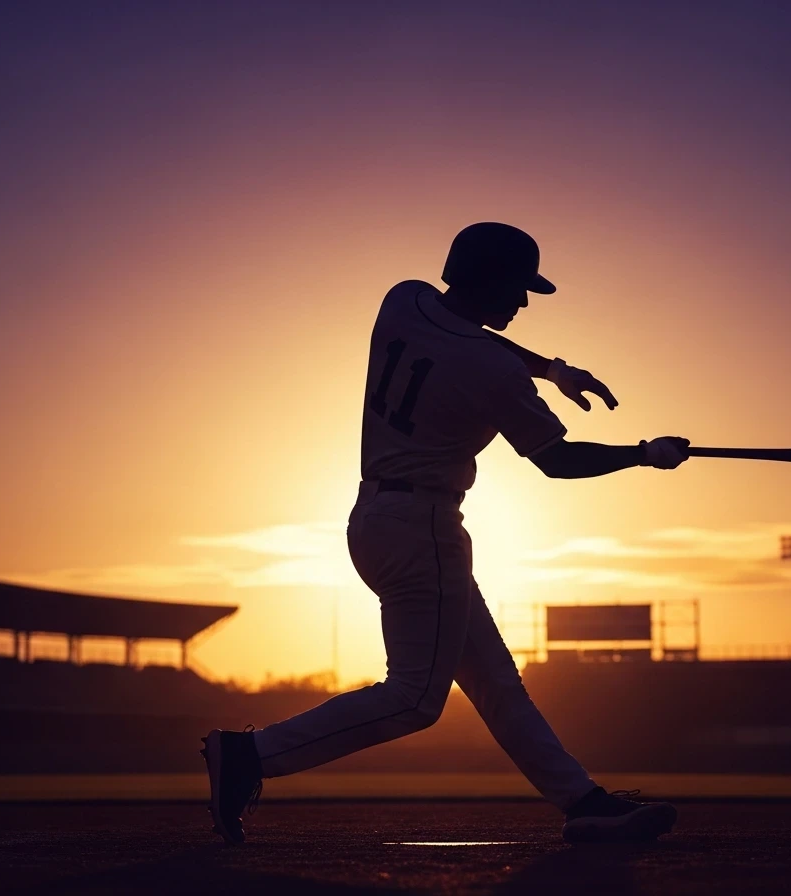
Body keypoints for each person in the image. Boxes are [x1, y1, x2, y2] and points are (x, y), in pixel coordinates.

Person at [202, 222, 691, 845]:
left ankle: (583, 803)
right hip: (423, 528)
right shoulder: (492, 368)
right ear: (487, 279)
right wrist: (645, 454)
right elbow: (557, 459)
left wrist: (552, 369)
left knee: (495, 682)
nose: (521, 303)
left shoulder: (402, 298)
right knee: (414, 698)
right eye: (516, 289)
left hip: (377, 520)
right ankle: (250, 757)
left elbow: (470, 339)